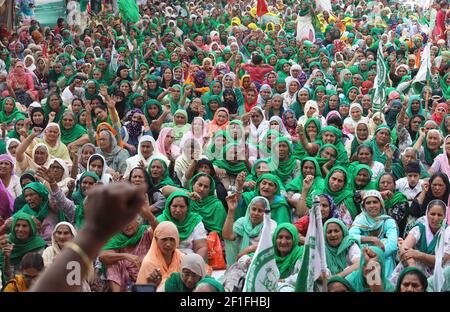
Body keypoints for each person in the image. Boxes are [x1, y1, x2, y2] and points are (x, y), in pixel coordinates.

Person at [349, 190, 399, 278]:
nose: (372, 205)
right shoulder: (360, 220)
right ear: (363, 206)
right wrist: (371, 239)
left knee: (386, 249)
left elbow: (392, 245)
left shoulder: (387, 221)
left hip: (383, 257)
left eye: (375, 202)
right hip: (364, 256)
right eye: (368, 203)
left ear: (381, 204)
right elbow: (350, 237)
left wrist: (375, 255)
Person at [99, 214, 152, 292]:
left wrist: (149, 214)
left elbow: (162, 234)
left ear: (138, 221)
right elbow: (103, 256)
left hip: (145, 275)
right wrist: (125, 256)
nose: (127, 225)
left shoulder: (146, 231)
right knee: (113, 264)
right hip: (124, 279)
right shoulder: (116, 237)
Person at [155, 191, 207, 260]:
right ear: (169, 206)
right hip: (166, 260)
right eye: (174, 206)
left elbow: (201, 247)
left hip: (190, 261)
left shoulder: (195, 220)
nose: (178, 210)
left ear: (188, 207)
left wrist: (194, 264)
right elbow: (156, 248)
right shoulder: (161, 221)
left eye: (182, 206)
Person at [136, 221, 184, 292]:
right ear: (156, 240)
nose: (168, 244)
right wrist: (153, 285)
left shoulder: (182, 258)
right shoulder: (149, 262)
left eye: (172, 239)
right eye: (164, 239)